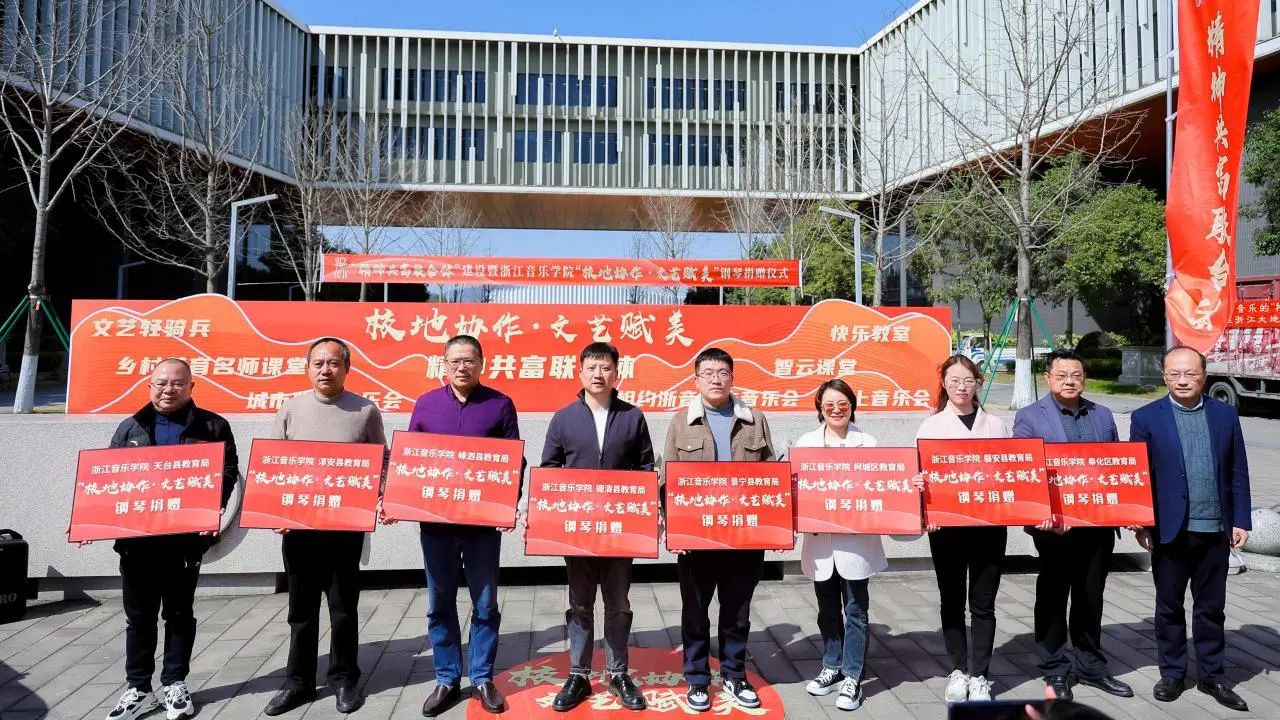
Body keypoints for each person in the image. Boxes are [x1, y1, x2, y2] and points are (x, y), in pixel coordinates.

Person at [101, 359, 240, 720]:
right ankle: (138, 689)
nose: (169, 390)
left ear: (191, 387)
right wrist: (91, 523)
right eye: (161, 383)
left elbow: (226, 472)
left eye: (178, 383)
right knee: (139, 618)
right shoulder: (130, 427)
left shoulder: (213, 426)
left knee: (179, 614)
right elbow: (108, 480)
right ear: (150, 386)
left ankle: (175, 683)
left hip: (184, 543)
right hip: (137, 543)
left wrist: (214, 507)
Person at [263, 338, 386, 717]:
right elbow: (273, 465)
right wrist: (274, 513)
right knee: (300, 611)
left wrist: (380, 495)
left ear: (347, 368)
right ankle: (297, 682)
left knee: (343, 608)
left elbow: (381, 461)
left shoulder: (365, 410)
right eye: (318, 363)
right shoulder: (291, 408)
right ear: (308, 368)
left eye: (333, 363)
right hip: (299, 530)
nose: (325, 370)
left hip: (344, 529)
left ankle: (344, 678)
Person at [1129, 346, 1251, 711]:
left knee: (1211, 608)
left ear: (1204, 376)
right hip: (1170, 529)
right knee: (1169, 606)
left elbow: (1238, 469)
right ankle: (1172, 673)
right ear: (1164, 376)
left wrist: (1241, 519)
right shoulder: (1146, 417)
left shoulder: (1225, 414)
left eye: (1191, 374)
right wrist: (1141, 522)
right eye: (1175, 374)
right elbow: (1139, 475)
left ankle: (1212, 676)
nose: (1183, 380)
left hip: (1215, 528)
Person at [791, 378, 923, 712]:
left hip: (857, 544)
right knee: (826, 610)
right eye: (829, 405)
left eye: (843, 405)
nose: (836, 411)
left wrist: (909, 485)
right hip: (821, 544)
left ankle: (852, 674)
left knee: (855, 611)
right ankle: (832, 665)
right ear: (820, 409)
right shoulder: (806, 443)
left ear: (852, 407)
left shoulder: (868, 442)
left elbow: (887, 483)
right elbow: (795, 490)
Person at [406, 335, 520, 717]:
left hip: (481, 527)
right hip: (436, 525)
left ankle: (483, 676)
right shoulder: (426, 404)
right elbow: (410, 460)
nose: (462, 367)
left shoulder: (499, 404)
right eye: (454, 360)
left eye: (469, 360)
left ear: (481, 363)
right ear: (444, 364)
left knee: (485, 603)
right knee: (439, 603)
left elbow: (513, 461)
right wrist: (398, 500)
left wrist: (508, 505)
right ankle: (447, 678)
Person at [1012, 349, 1133, 702]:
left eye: (1076, 375)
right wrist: (1040, 513)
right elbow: (1024, 470)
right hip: (1055, 527)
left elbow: (1116, 466)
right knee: (1053, 596)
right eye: (1062, 375)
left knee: (1090, 596)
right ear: (1048, 378)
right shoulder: (1030, 417)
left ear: (1084, 378)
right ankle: (1054, 667)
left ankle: (1091, 666)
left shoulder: (1102, 414)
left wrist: (1127, 510)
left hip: (1098, 525)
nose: (1070, 381)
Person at [541, 342, 655, 712]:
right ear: (580, 373)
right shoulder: (563, 418)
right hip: (578, 529)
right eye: (591, 367)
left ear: (616, 373)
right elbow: (550, 469)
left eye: (605, 367)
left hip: (620, 528)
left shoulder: (632, 417)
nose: (598, 374)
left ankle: (618, 672)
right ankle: (579, 674)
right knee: (580, 603)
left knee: (618, 601)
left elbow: (645, 469)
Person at [663, 347, 776, 713]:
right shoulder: (681, 422)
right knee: (695, 612)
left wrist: (775, 528)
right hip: (697, 539)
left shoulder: (755, 420)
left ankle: (734, 674)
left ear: (732, 378)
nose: (716, 379)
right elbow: (668, 481)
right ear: (696, 380)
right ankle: (697, 678)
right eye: (708, 373)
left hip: (744, 537)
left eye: (722, 372)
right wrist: (672, 530)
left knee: (737, 613)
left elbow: (770, 475)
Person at [915, 355, 1009, 703]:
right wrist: (920, 490)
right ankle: (958, 669)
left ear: (977, 383)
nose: (961, 387)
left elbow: (1010, 473)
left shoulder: (996, 425)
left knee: (983, 604)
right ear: (944, 384)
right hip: (947, 528)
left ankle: (981, 675)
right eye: (954, 380)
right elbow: (920, 475)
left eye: (968, 380)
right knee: (952, 601)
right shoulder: (930, 427)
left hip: (988, 527)